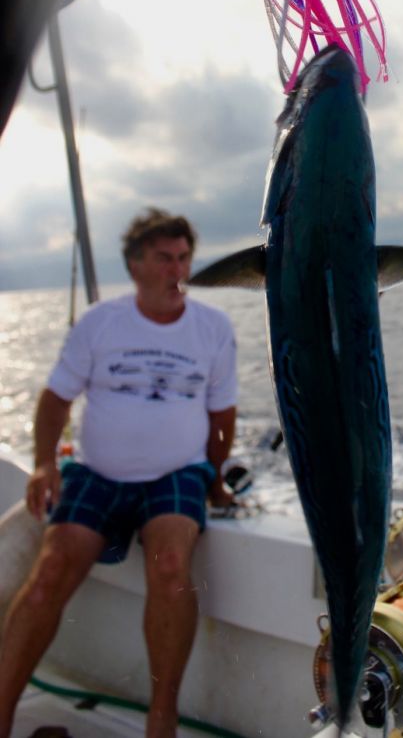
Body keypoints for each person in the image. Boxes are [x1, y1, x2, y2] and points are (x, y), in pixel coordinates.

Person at [0, 208, 238, 738]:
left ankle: (162, 718)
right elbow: (56, 400)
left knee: (172, 565)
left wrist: (215, 477)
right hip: (97, 473)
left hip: (177, 474)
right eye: (163, 258)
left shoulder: (213, 329)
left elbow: (223, 417)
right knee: (50, 571)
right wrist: (43, 464)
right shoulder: (100, 324)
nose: (176, 269)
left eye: (183, 258)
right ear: (135, 266)